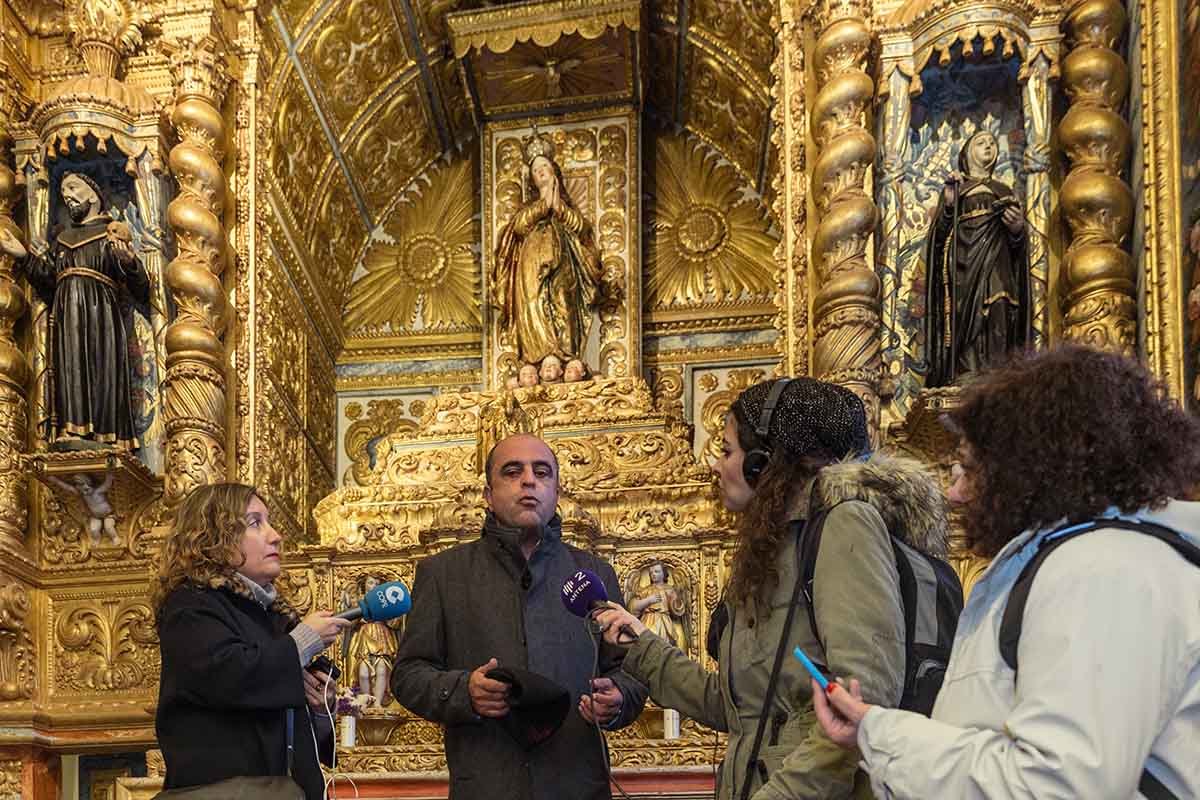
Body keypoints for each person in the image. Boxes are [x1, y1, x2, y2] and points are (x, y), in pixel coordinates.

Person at [813, 345, 1200, 799]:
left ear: (1032, 469)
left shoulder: (1101, 570)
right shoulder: (1079, 561)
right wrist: (871, 734)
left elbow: (1055, 786)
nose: (954, 494)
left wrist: (885, 734)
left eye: (970, 470)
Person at [596, 377, 948, 799]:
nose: (715, 465)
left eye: (727, 451)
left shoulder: (844, 524)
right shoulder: (777, 548)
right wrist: (641, 648)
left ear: (763, 461)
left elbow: (862, 698)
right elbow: (740, 709)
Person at [392, 433, 648, 800]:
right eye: (512, 472)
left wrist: (618, 698)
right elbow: (408, 675)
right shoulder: (443, 573)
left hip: (578, 785)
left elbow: (633, 672)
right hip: (487, 785)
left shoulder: (594, 573)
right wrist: (465, 691)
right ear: (488, 495)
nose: (529, 480)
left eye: (542, 472)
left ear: (556, 492)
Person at [152, 483, 355, 799]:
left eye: (269, 522)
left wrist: (318, 712)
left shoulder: (272, 616)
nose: (275, 535)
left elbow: (277, 734)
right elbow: (227, 674)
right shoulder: (190, 605)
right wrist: (302, 642)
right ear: (213, 538)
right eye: (255, 523)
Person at [0, 172, 151, 448]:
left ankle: (108, 434)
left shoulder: (110, 234)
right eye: (62, 190)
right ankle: (73, 429)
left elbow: (141, 288)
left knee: (101, 366)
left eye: (73, 187)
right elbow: (49, 281)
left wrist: (129, 262)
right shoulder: (63, 240)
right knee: (70, 367)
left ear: (93, 195)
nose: (66, 195)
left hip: (100, 312)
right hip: (67, 312)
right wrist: (22, 255)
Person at [923, 130, 1030, 387]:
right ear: (967, 153)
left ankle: (997, 370)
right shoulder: (957, 188)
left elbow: (1018, 248)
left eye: (993, 143)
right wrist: (949, 206)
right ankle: (966, 369)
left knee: (1000, 302)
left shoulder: (1003, 190)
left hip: (998, 260)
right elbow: (939, 239)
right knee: (964, 314)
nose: (989, 146)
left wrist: (1016, 229)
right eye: (981, 142)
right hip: (964, 262)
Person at [492, 134, 603, 366]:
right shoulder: (526, 210)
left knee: (563, 298)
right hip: (530, 265)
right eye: (535, 170)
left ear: (554, 172)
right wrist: (544, 205)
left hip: (563, 261)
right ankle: (540, 357)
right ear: (532, 180)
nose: (540, 171)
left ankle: (565, 354)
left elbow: (582, 229)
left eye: (545, 166)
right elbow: (520, 227)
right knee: (533, 303)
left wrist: (558, 208)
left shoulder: (565, 210)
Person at [628, 561, 688, 651]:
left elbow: (678, 609)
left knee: (663, 645)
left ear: (663, 574)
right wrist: (648, 600)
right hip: (647, 620)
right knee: (647, 643)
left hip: (663, 620)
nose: (653, 574)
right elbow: (632, 607)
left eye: (657, 571)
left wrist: (676, 600)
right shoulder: (645, 591)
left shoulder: (669, 589)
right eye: (651, 572)